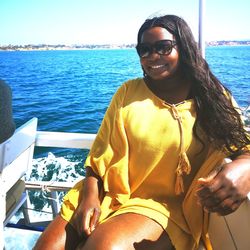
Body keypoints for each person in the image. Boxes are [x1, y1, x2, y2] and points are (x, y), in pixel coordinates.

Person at [34, 14, 250, 250]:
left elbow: (243, 145)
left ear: (185, 47)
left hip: (165, 206)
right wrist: (89, 198)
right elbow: (99, 156)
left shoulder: (211, 98)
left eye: (163, 47)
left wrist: (244, 168)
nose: (152, 56)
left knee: (102, 246)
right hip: (105, 192)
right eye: (144, 50)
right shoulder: (127, 92)